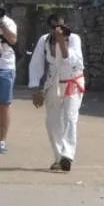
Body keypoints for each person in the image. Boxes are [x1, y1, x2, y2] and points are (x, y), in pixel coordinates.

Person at [28, 13, 84, 172]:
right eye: (53, 27)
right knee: (52, 122)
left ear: (65, 25)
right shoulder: (44, 40)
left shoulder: (74, 39)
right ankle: (59, 157)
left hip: (73, 81)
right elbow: (36, 65)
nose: (57, 30)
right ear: (49, 28)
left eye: (60, 26)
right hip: (53, 82)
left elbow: (70, 60)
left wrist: (61, 41)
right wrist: (36, 89)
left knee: (70, 117)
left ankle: (67, 155)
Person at [0, 4, 18, 153]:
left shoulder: (9, 22)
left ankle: (1, 140)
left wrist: (2, 24)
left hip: (4, 67)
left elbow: (12, 40)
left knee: (4, 105)